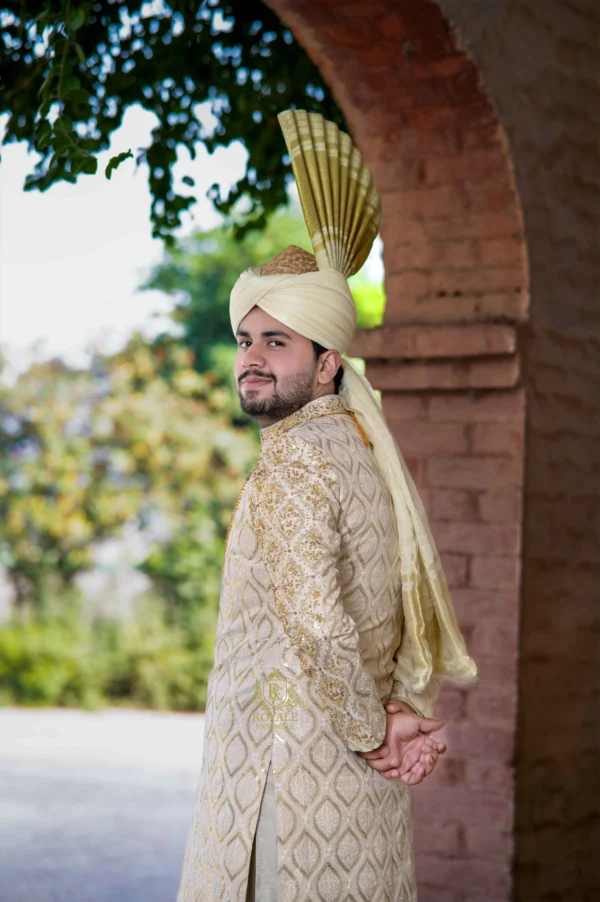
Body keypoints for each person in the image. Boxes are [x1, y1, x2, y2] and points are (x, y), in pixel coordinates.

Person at [176, 110, 477, 902]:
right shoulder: (366, 449)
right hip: (352, 791)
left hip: (287, 781)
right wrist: (398, 717)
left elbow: (316, 617)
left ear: (327, 360)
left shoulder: (298, 461)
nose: (251, 359)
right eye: (246, 339)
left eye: (278, 342)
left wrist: (374, 732)